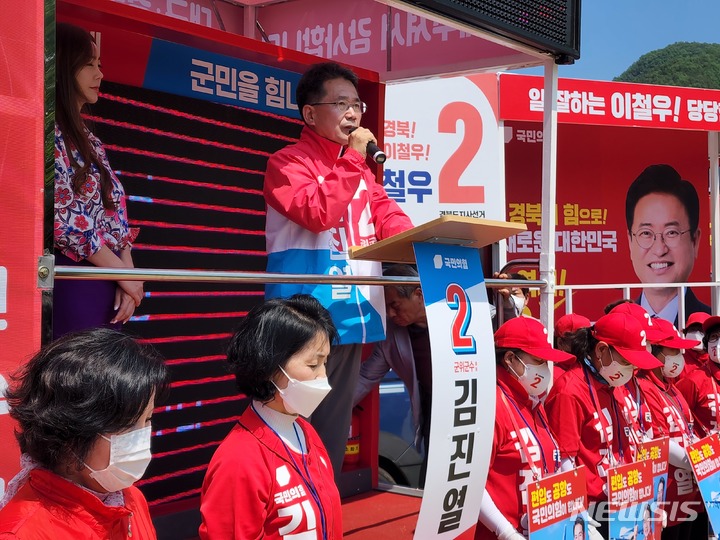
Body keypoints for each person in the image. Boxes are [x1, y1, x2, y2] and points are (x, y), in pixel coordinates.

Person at [263, 61, 413, 477]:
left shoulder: (360, 170)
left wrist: (421, 240)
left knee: (331, 425)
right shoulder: (286, 162)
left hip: (351, 313)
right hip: (303, 315)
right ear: (310, 113)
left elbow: (388, 216)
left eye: (357, 105)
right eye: (341, 103)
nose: (352, 113)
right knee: (291, 421)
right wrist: (352, 162)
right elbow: (317, 213)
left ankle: (322, 508)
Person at [0, 328, 169, 539]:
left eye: (148, 419)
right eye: (126, 424)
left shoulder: (130, 499)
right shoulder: (22, 533)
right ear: (68, 437)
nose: (142, 437)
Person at [199, 295, 343, 539]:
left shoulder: (307, 434)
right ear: (270, 366)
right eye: (312, 365)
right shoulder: (239, 460)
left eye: (325, 362)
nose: (323, 376)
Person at [53, 23, 143, 340]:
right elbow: (61, 218)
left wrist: (127, 273)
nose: (99, 75)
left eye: (99, 65)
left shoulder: (91, 140)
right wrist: (121, 273)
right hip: (73, 278)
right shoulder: (46, 133)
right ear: (64, 66)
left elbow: (114, 209)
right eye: (89, 64)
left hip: (107, 276)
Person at [545, 312, 663, 538]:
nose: (632, 370)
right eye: (627, 361)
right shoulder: (569, 392)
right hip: (593, 511)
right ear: (601, 351)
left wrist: (650, 503)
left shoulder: (613, 382)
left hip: (625, 499)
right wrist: (579, 516)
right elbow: (563, 462)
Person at [475, 317, 576, 540]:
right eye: (538, 360)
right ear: (510, 358)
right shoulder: (491, 405)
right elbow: (471, 484)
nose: (546, 369)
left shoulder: (532, 401)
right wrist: (506, 532)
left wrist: (577, 513)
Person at [352, 264, 431, 485]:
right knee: (431, 485)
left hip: (473, 412)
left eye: (395, 305)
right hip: (434, 416)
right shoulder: (393, 336)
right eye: (385, 307)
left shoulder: (460, 315)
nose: (390, 314)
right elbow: (366, 377)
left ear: (418, 294)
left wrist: (508, 306)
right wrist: (328, 408)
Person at [634, 317, 707, 539]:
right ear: (653, 351)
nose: (679, 357)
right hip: (668, 497)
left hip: (690, 494)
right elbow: (659, 442)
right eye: (672, 350)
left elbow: (688, 430)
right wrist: (695, 461)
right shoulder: (645, 388)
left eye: (680, 351)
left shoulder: (671, 388)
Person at [625, 164, 710, 325]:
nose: (659, 249)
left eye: (671, 232)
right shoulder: (612, 332)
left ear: (695, 240)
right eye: (646, 233)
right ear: (630, 241)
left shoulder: (712, 328)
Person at [676, 316, 720, 435]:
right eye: (714, 337)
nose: (718, 342)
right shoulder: (694, 381)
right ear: (707, 344)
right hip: (708, 450)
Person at [682, 311, 711, 375]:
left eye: (701, 330)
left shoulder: (715, 359)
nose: (696, 334)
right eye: (692, 330)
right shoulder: (679, 360)